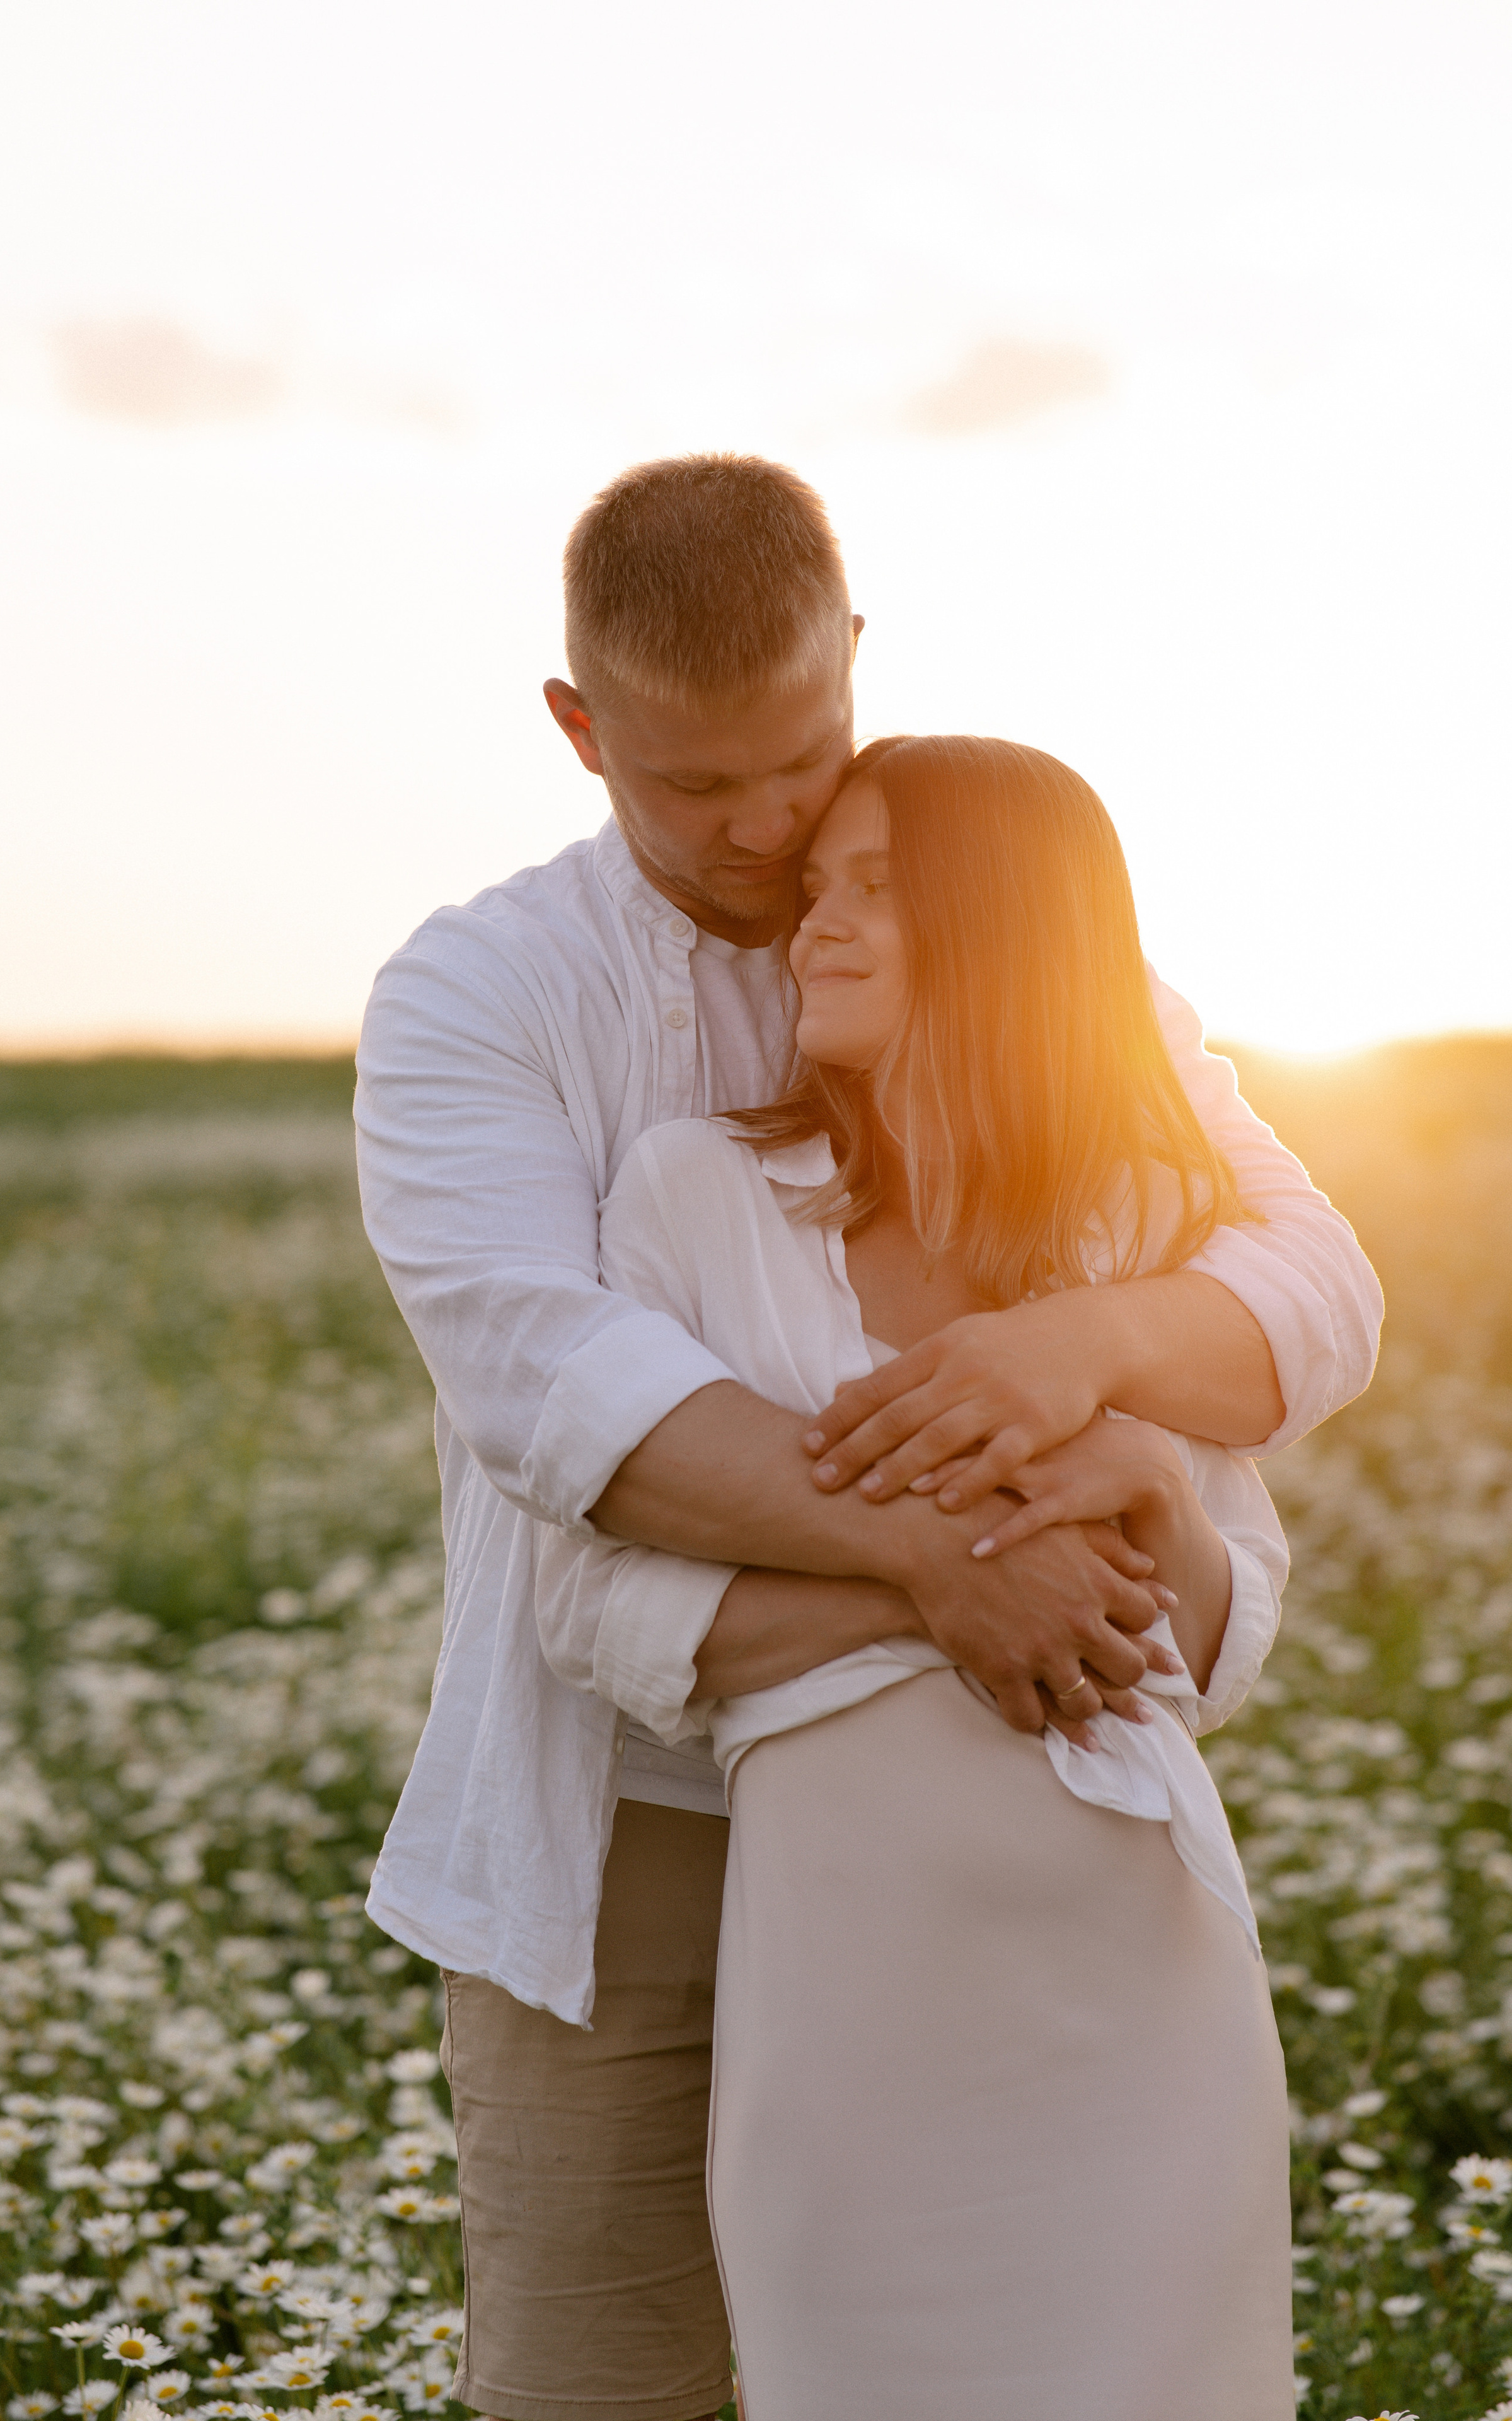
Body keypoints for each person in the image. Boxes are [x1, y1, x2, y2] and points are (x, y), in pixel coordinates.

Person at [354, 455, 1380, 2421]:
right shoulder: (480, 996)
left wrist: (1080, 1349)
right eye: (692, 787)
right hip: (627, 1833)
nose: (762, 835)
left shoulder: (1034, 953)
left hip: (1020, 1843)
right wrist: (944, 1556)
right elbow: (554, 1399)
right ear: (578, 731)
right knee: (604, 2381)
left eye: (802, 765)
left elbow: (1310, 1289)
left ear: (854, 661)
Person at [536, 734, 1296, 2416]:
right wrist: (942, 1585)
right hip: (852, 1993)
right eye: (819, 889)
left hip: (1140, 1966)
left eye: (877, 887)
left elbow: (1223, 1631)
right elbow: (583, 1605)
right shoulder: (696, 1199)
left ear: (1006, 928)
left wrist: (1159, 1492)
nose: (818, 924)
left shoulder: (1139, 1225)